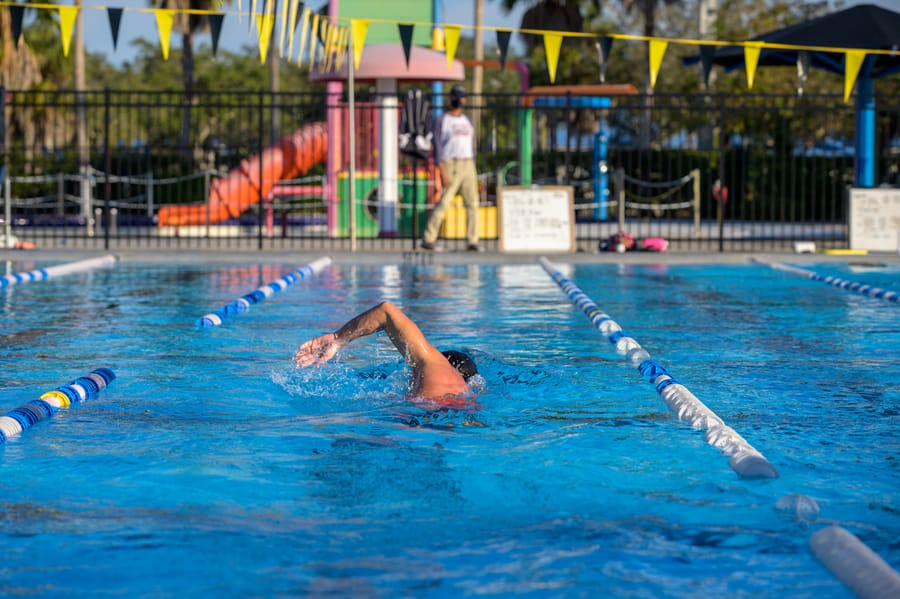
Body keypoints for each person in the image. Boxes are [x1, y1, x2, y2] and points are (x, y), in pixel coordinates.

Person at [294, 301, 479, 405]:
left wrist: (337, 338)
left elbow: (385, 311)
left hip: (423, 420)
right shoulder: (467, 394)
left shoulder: (432, 363)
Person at [421, 85, 481, 252]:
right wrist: (441, 169)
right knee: (444, 202)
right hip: (451, 164)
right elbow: (438, 146)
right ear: (451, 99)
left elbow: (471, 143)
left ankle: (472, 240)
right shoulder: (442, 120)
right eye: (457, 97)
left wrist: (473, 163)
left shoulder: (466, 120)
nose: (459, 101)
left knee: (473, 203)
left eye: (461, 98)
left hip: (467, 163)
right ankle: (429, 238)